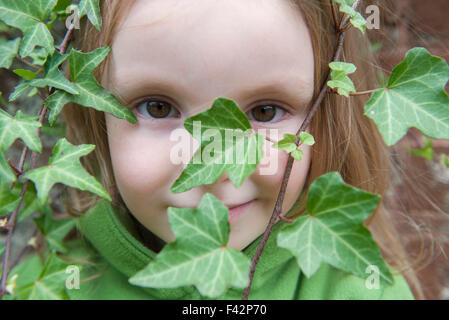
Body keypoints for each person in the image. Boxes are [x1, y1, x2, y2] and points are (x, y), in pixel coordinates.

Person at [58, 0, 420, 299]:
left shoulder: (364, 290)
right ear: (95, 115)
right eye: (158, 107)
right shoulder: (58, 285)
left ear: (328, 116)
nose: (214, 170)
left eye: (264, 112)